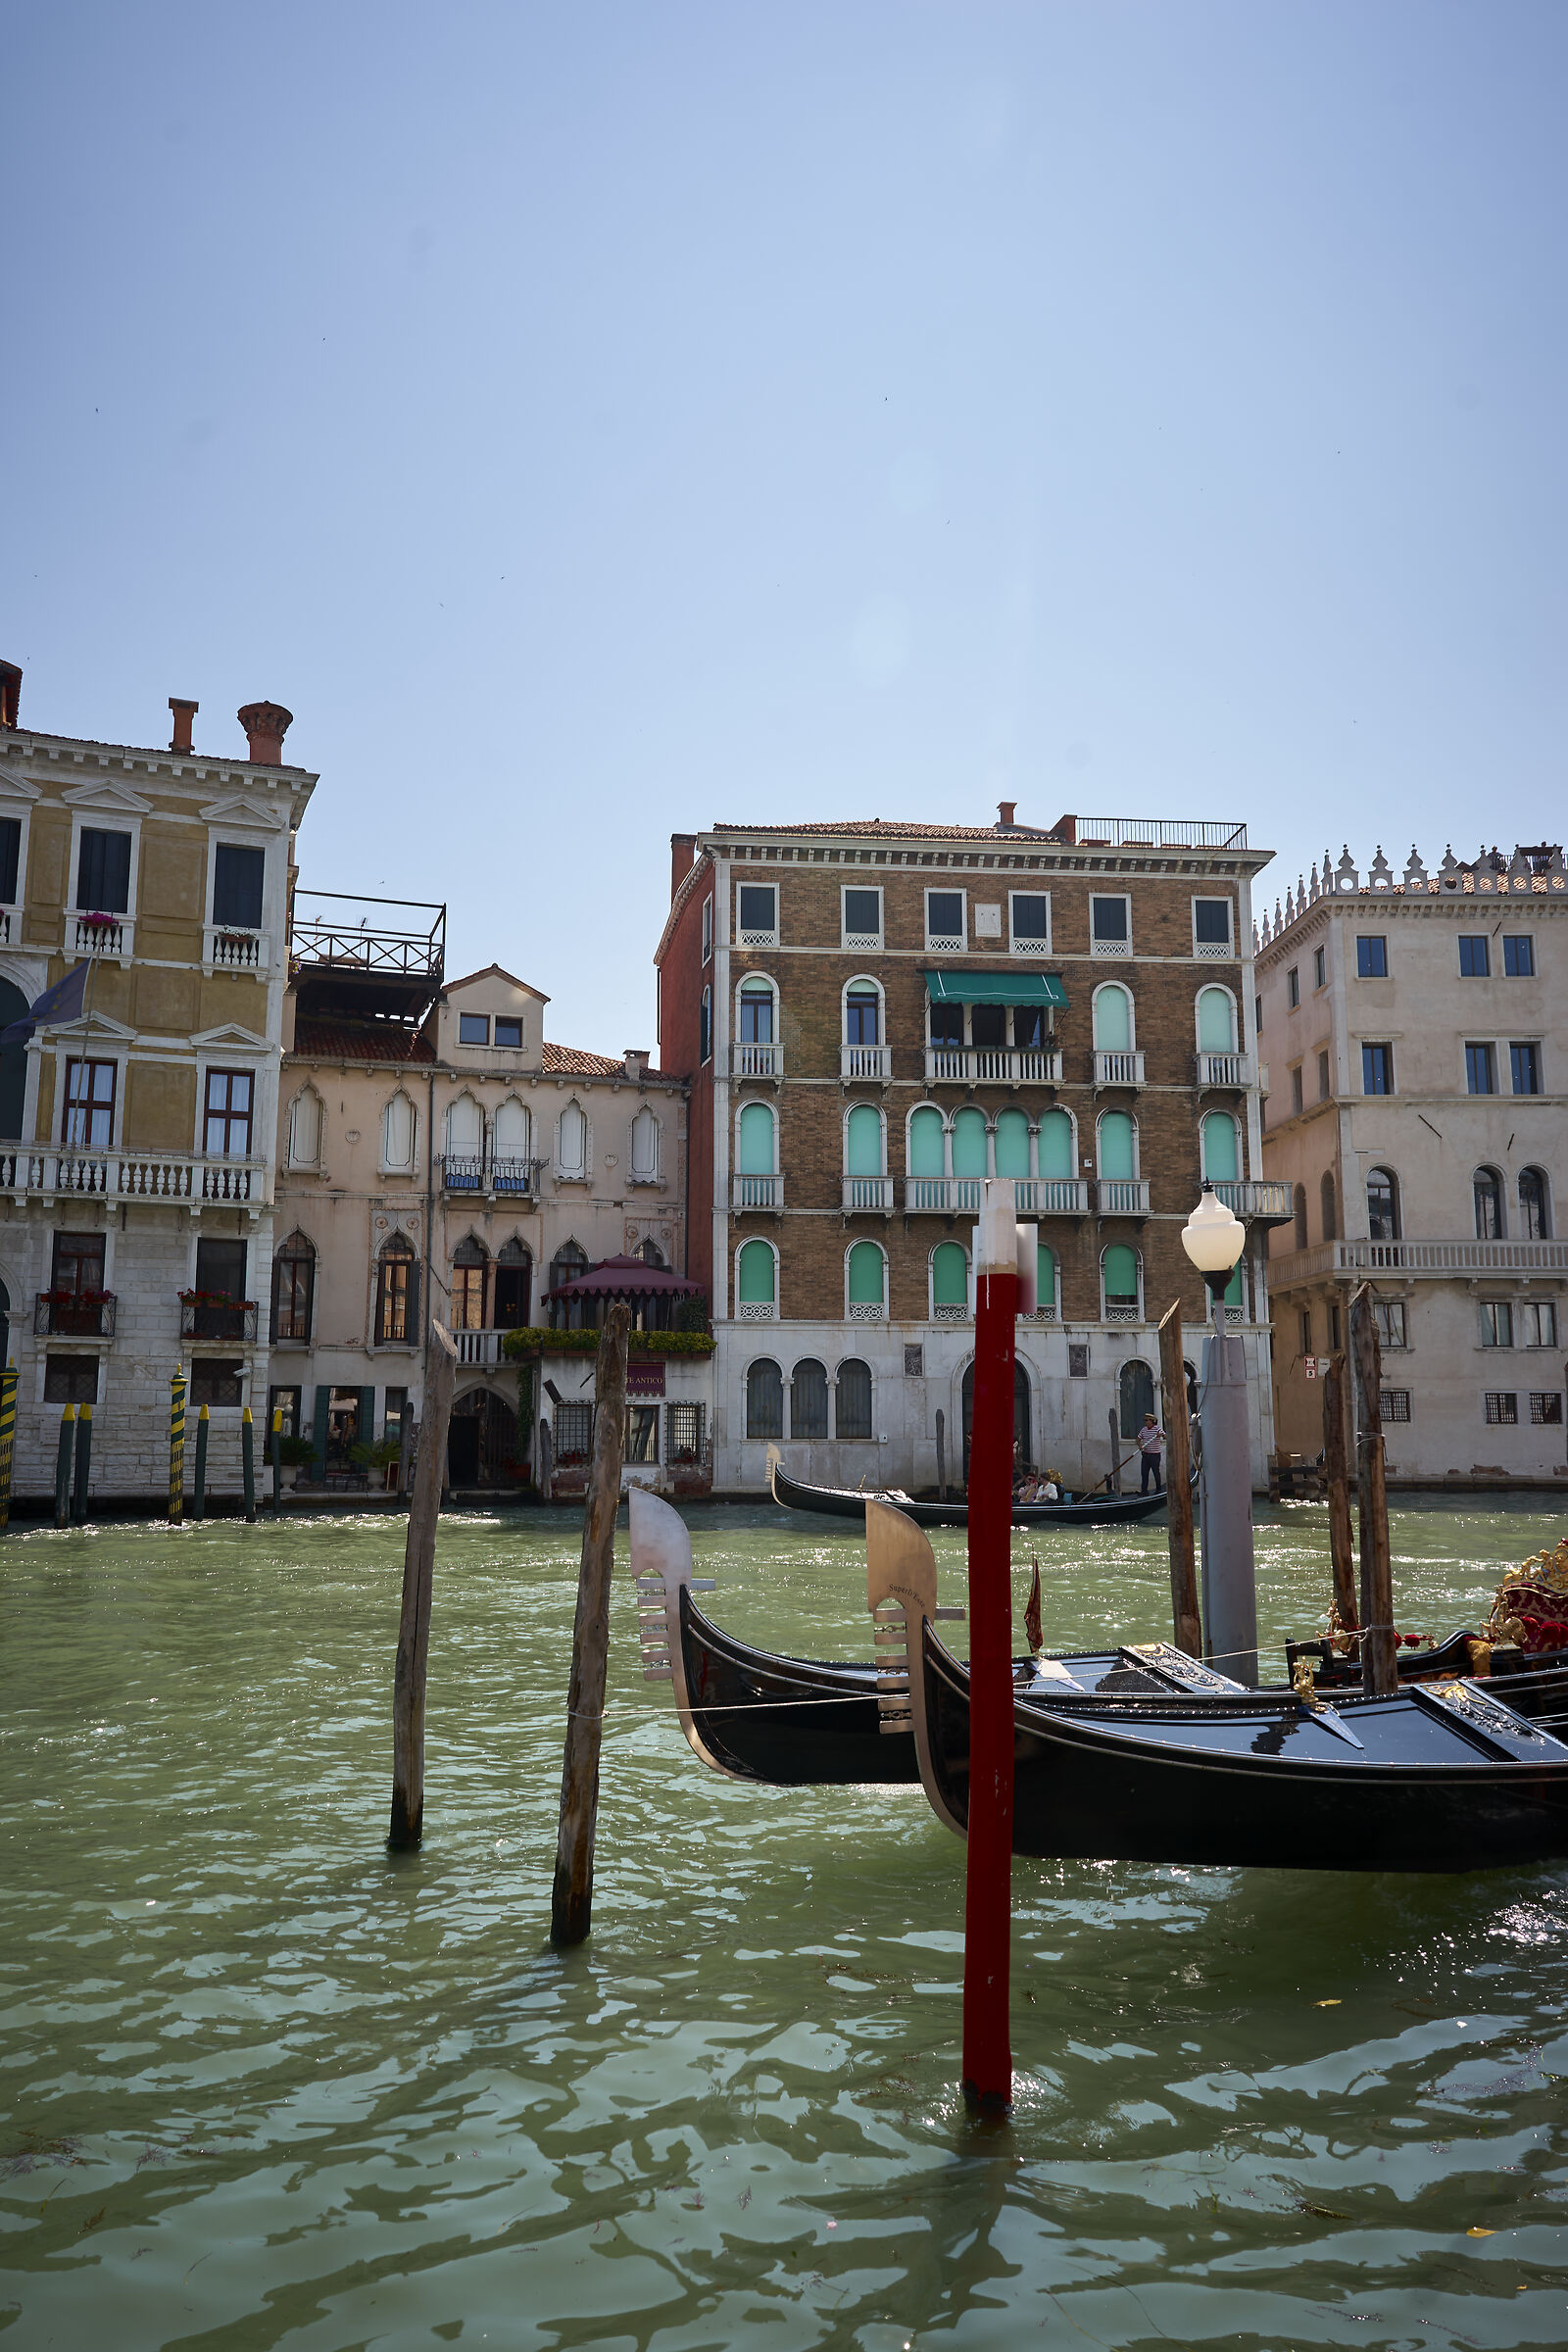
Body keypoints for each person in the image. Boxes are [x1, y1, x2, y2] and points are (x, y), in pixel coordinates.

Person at [1136, 1411, 1165, 1494]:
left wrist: (1160, 1435)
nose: (1145, 1422)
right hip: (1145, 1455)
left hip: (1155, 1455)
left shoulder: (1157, 1429)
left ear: (1151, 1421)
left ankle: (1158, 1489)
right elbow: (1138, 1439)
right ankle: (1144, 1491)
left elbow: (1165, 1436)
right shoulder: (1143, 1430)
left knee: (1156, 1472)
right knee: (1144, 1473)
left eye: (1146, 1420)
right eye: (1144, 1420)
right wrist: (1140, 1446)